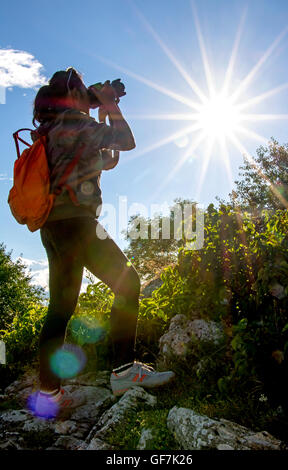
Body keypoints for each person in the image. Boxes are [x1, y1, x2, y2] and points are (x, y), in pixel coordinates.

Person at [30, 67, 174, 418]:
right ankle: (125, 372)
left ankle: (48, 393)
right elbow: (124, 140)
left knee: (60, 309)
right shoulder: (76, 124)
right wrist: (108, 103)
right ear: (74, 96)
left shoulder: (53, 129)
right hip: (78, 224)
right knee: (129, 284)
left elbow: (105, 160)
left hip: (55, 226)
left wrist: (98, 105)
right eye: (83, 91)